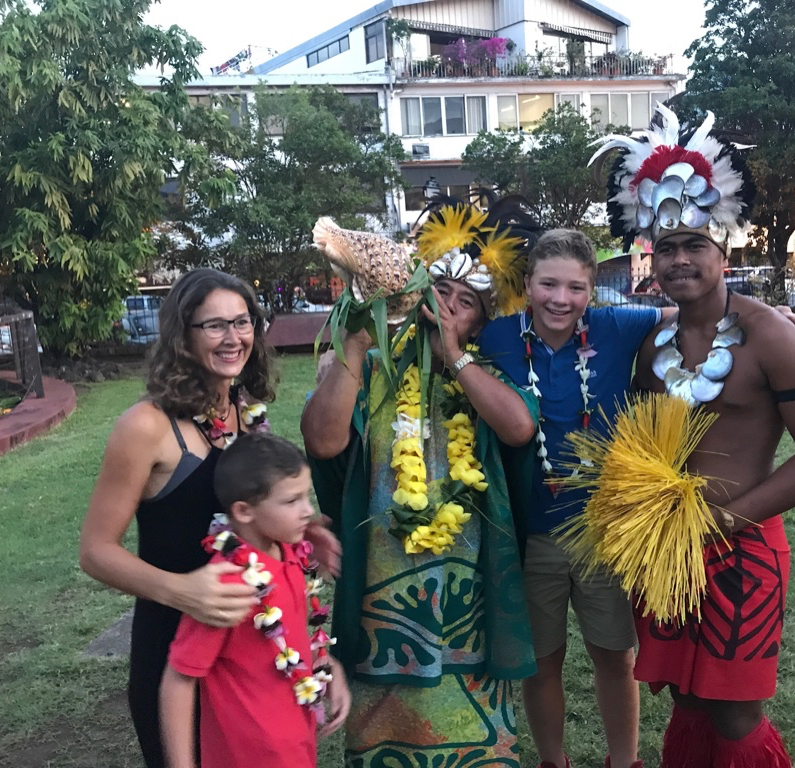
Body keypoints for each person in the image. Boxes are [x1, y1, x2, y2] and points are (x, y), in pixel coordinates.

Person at [474, 226, 795, 768]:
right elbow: (447, 326)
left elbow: (699, 315)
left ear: (593, 291)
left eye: (576, 288)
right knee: (664, 691)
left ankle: (624, 762)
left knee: (650, 672)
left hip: (632, 536)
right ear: (530, 283)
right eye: (548, 285)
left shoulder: (619, 326)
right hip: (572, 535)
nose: (560, 299)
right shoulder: (499, 338)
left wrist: (780, 318)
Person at [599, 103, 795, 766]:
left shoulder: (776, 336)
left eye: (695, 245)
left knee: (737, 713)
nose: (679, 258)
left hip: (744, 548)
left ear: (723, 248)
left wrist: (728, 521)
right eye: (667, 246)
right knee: (685, 697)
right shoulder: (652, 343)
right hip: (666, 549)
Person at [303, 212, 540, 766]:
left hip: (468, 610)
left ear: (479, 323)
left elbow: (519, 428)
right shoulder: (366, 369)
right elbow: (321, 441)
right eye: (440, 288)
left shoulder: (487, 377)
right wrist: (357, 348)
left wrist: (455, 358)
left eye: (465, 301)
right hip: (380, 601)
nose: (448, 305)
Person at [79, 268, 339, 767]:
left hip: (250, 656)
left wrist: (303, 533)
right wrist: (183, 591)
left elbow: (248, 512)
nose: (233, 338)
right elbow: (95, 551)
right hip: (176, 652)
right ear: (182, 335)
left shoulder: (245, 415)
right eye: (214, 325)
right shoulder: (146, 427)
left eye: (243, 322)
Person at [160, 433, 350, 768]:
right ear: (244, 511)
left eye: (306, 496)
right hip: (246, 755)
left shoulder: (290, 554)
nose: (308, 511)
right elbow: (180, 678)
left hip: (294, 746)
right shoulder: (229, 584)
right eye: (292, 501)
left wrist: (328, 666)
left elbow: (288, 636)